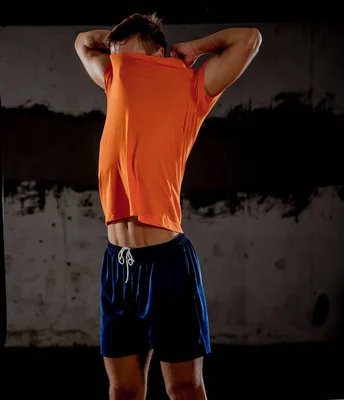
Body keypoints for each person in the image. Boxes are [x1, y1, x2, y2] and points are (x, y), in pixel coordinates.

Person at [74, 13, 262, 400]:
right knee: (123, 389)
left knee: (184, 388)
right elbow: (82, 42)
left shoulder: (191, 87)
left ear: (158, 53)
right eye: (115, 56)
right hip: (118, 265)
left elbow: (248, 38)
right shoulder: (113, 80)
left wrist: (193, 49)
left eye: (128, 54)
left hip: (166, 264)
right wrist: (113, 41)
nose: (118, 61)